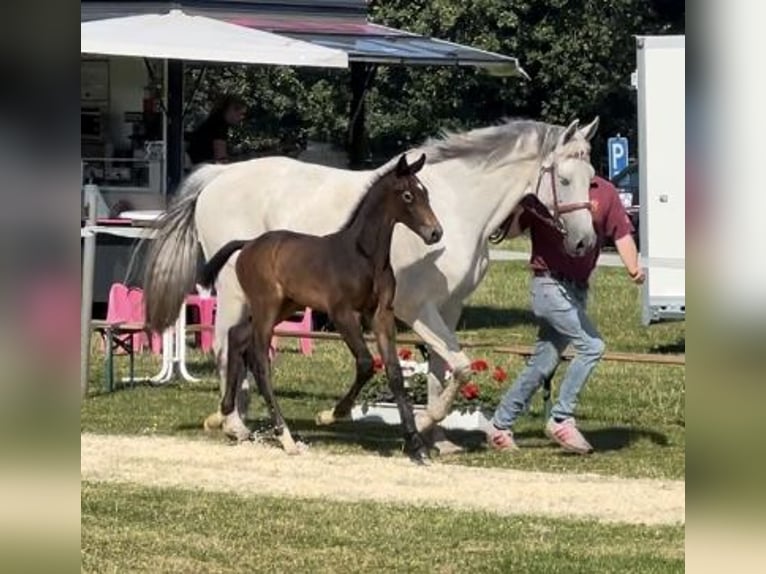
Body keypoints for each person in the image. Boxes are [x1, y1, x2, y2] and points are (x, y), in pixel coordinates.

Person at [487, 175, 645, 454]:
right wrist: (518, 207)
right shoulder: (547, 191)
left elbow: (621, 232)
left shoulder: (605, 191)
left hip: (578, 290)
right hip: (548, 284)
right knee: (592, 346)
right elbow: (511, 232)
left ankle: (500, 426)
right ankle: (561, 418)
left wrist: (633, 267)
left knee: (542, 363)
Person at [186, 94, 247, 166]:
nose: (242, 117)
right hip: (200, 167)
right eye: (241, 114)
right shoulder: (219, 126)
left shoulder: (213, 121)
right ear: (231, 110)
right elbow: (221, 159)